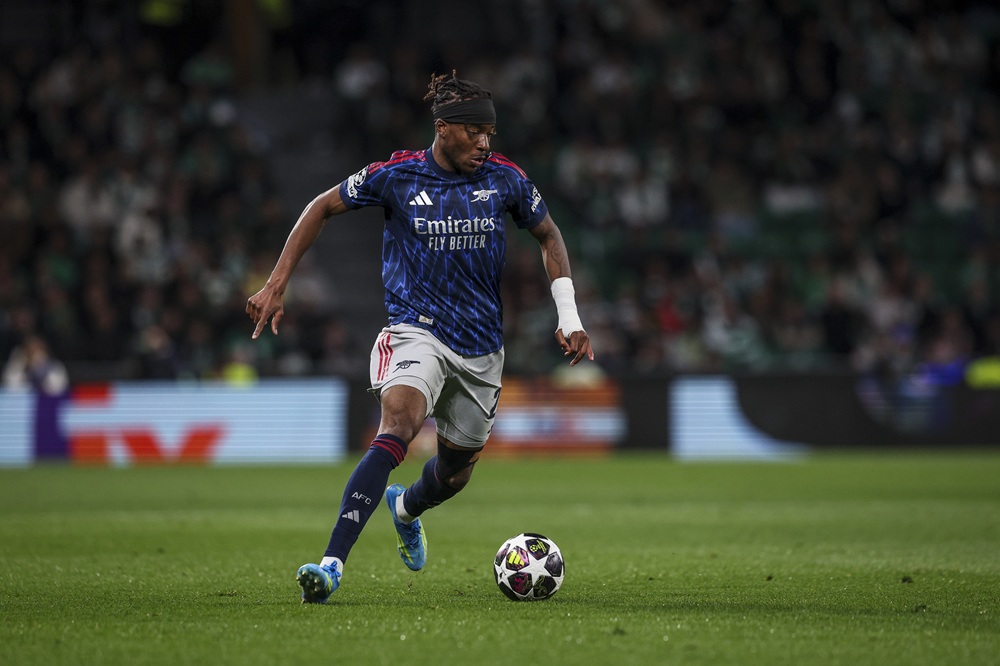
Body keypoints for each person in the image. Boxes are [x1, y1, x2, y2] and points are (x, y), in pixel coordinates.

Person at [246, 71, 594, 604]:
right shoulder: (399, 175)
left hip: (481, 348)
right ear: (443, 128)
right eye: (473, 132)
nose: (484, 143)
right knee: (401, 423)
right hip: (416, 331)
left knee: (455, 472)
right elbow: (321, 206)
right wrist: (276, 282)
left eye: (489, 133)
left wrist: (568, 316)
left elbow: (549, 234)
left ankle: (405, 507)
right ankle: (331, 565)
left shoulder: (506, 179)